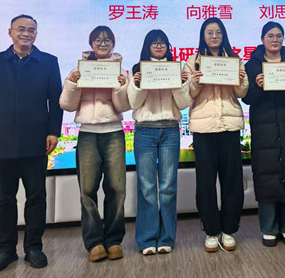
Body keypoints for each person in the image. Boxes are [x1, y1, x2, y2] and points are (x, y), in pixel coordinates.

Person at [0, 14, 63, 273]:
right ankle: (6, 250)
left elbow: (55, 101)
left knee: (36, 197)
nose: (26, 33)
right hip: (1, 141)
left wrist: (54, 132)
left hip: (36, 141)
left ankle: (34, 247)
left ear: (36, 34)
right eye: (21, 29)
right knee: (5, 199)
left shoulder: (48, 62)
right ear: (10, 32)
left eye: (31, 30)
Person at [59, 26, 130, 262]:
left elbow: (124, 106)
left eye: (107, 40)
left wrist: (120, 87)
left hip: (114, 132)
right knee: (87, 190)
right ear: (91, 43)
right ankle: (94, 242)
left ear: (113, 43)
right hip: (87, 134)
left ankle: (114, 240)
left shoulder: (121, 71)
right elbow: (67, 105)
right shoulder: (79, 70)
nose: (102, 43)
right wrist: (72, 84)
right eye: (98, 40)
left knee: (117, 189)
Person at [183, 17, 248, 252]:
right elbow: (188, 95)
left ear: (223, 35)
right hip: (204, 128)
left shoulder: (234, 60)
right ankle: (211, 231)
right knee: (205, 183)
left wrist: (240, 80)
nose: (214, 36)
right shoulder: (192, 62)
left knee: (232, 181)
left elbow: (242, 92)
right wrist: (196, 82)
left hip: (229, 125)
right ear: (203, 36)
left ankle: (229, 229)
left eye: (218, 32)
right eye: (209, 32)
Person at [242, 21, 285, 247]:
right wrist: (258, 86)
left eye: (279, 35)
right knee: (267, 175)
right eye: (270, 35)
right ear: (262, 39)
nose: (275, 39)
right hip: (264, 126)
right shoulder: (252, 65)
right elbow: (247, 98)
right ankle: (269, 228)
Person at [127, 30, 192, 255]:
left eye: (162, 42)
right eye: (154, 43)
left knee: (168, 187)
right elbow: (133, 103)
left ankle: (166, 237)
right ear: (147, 46)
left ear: (167, 46)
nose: (158, 46)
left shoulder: (176, 68)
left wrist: (180, 83)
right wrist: (138, 84)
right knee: (146, 187)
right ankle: (147, 240)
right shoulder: (137, 69)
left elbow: (183, 103)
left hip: (170, 130)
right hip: (145, 130)